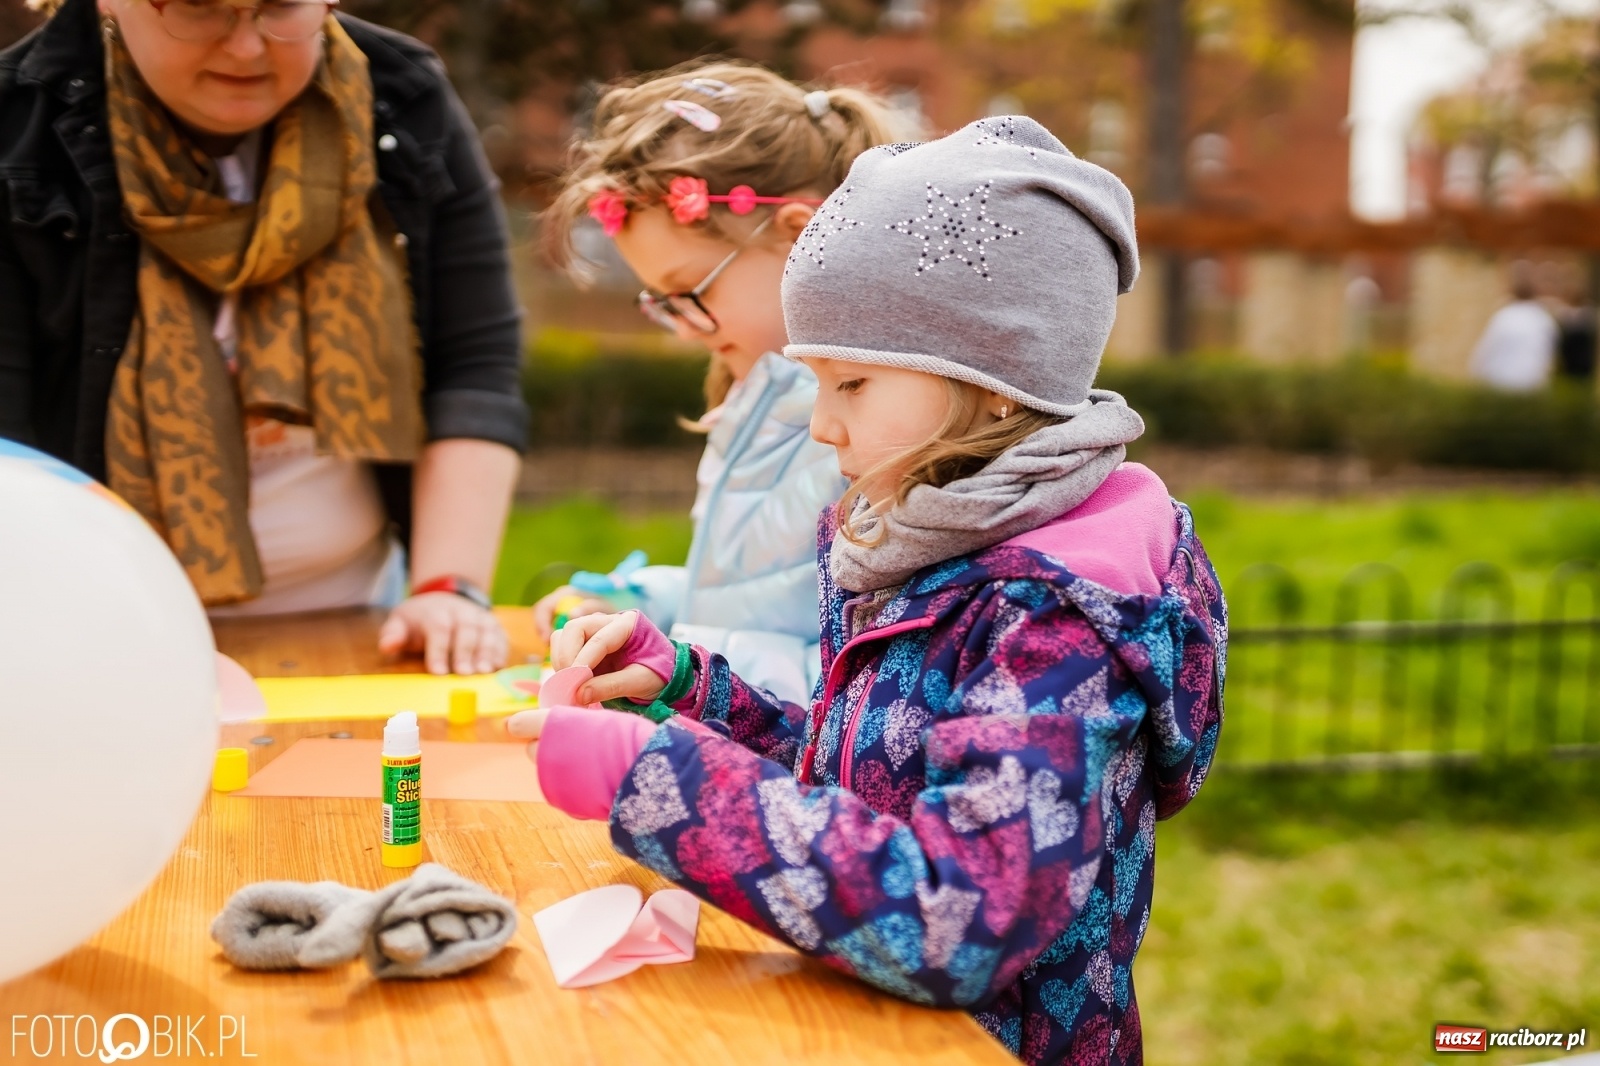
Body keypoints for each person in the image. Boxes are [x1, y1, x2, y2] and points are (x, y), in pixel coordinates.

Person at [511, 117, 1228, 1064]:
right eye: (816, 384)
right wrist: (688, 687)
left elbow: (957, 922)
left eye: (850, 384)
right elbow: (870, 777)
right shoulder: (924, 536)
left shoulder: (1051, 619)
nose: (821, 426)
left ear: (995, 384)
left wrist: (656, 785)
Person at [0, 0, 528, 674]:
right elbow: (10, 462)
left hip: (365, 624)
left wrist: (446, 589)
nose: (247, 47)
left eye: (280, 6)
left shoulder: (401, 96)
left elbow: (475, 362)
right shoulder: (15, 130)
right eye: (197, 8)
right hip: (102, 639)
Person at [533, 62, 897, 704]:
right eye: (663, 302)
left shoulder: (868, 430)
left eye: (690, 292)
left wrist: (677, 670)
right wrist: (634, 611)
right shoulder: (754, 398)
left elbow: (860, 674)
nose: (681, 329)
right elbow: (756, 598)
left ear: (797, 238)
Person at [1468, 275, 1557, 392]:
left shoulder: (1504, 316)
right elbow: (1551, 351)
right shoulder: (1543, 319)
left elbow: (1488, 346)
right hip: (1531, 382)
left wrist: (1476, 370)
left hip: (1502, 381)